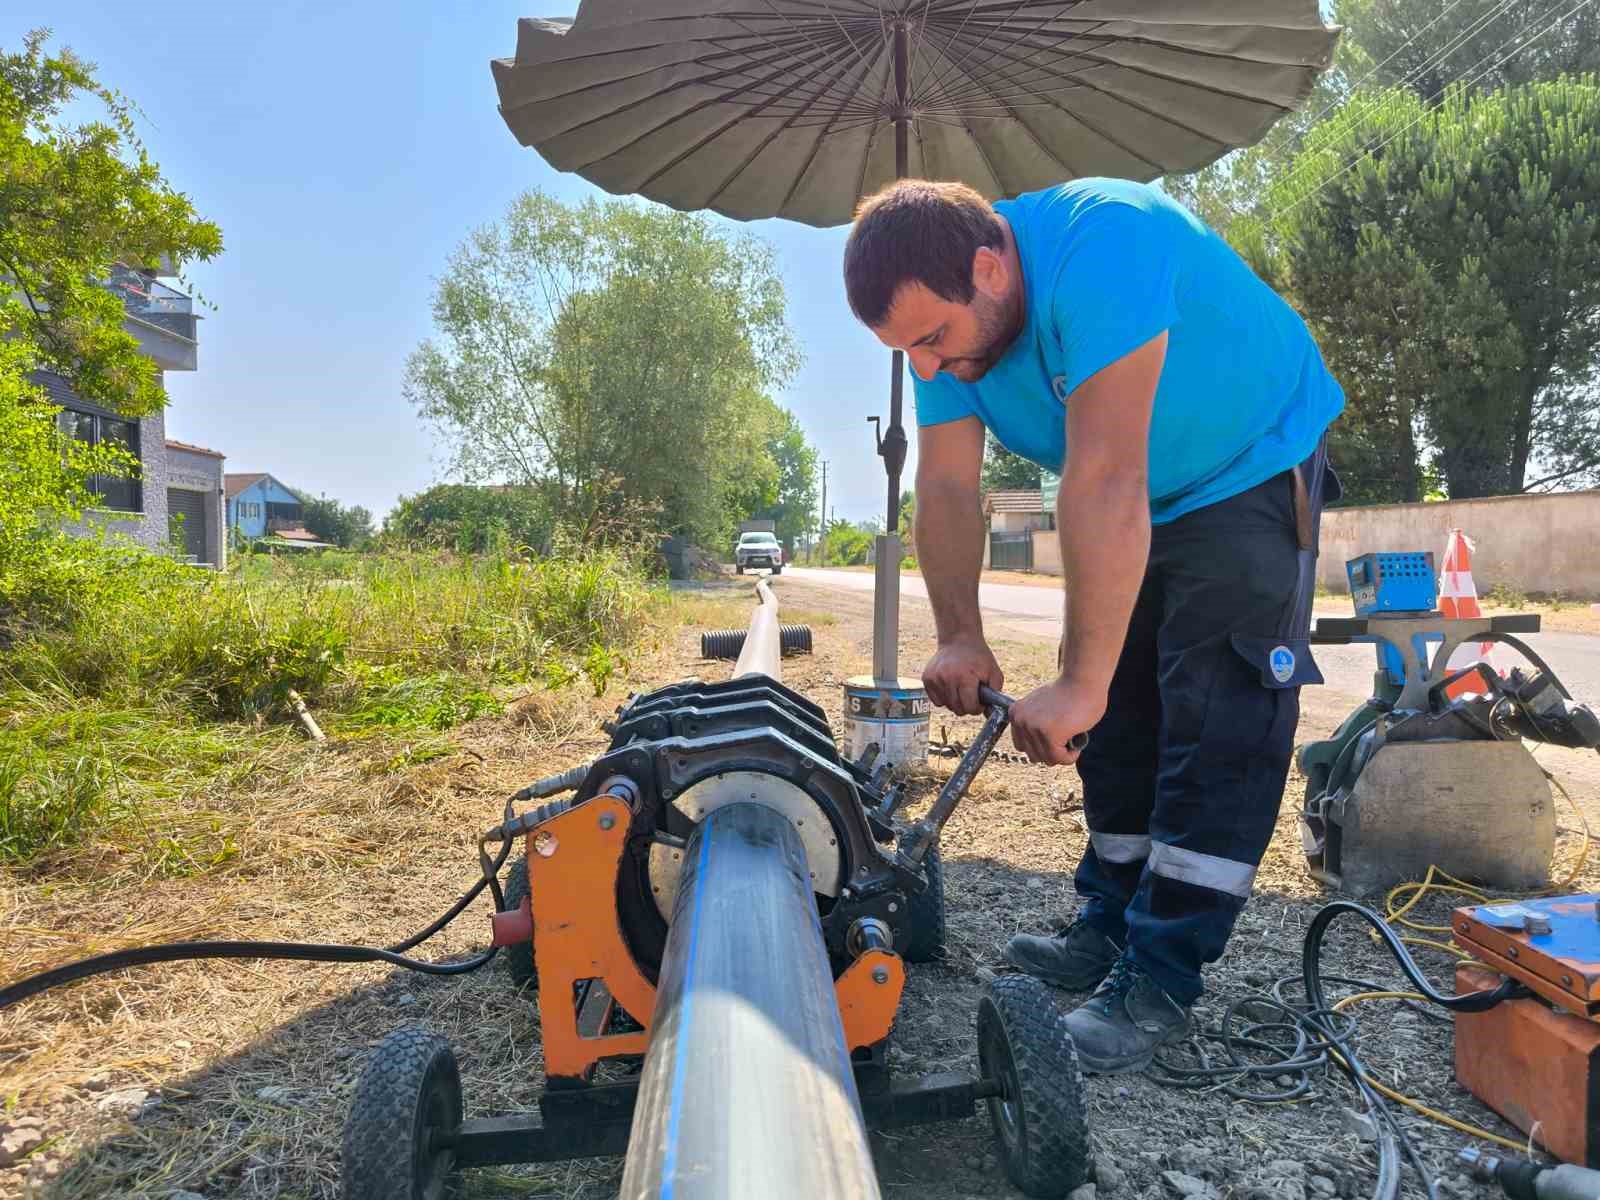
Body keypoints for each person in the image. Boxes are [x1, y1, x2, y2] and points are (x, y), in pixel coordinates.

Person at [842, 177, 1343, 1074]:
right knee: (1118, 706)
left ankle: (1160, 974)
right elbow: (951, 490)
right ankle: (1110, 919)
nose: (924, 367)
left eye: (930, 340)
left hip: (1249, 461)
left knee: (1216, 710)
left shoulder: (1104, 243)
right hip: (1141, 490)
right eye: (903, 351)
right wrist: (961, 633)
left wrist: (1077, 679)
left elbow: (1106, 476)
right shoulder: (948, 342)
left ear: (989, 268)